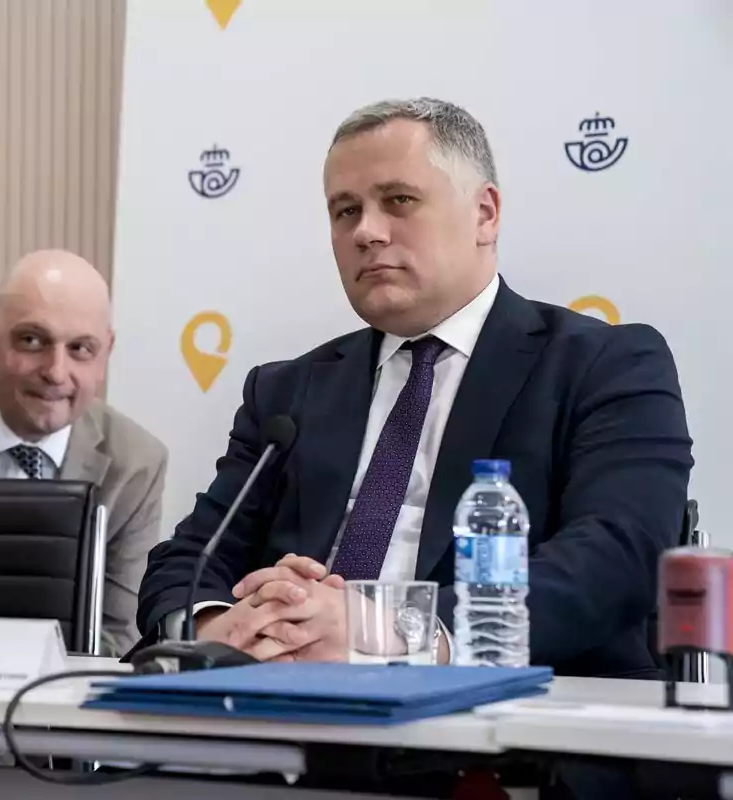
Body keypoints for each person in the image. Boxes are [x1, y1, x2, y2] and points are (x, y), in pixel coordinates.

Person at [136, 97, 693, 680]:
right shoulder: (284, 394)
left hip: (508, 730)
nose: (367, 232)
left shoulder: (606, 363)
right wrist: (218, 627)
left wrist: (391, 631)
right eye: (345, 211)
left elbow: (619, 556)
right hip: (282, 714)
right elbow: (189, 560)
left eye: (398, 201)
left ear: (485, 214)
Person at [0, 249, 168, 657]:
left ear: (105, 355)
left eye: (80, 349)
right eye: (32, 340)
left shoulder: (136, 463)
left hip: (55, 700)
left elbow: (115, 633)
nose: (56, 372)